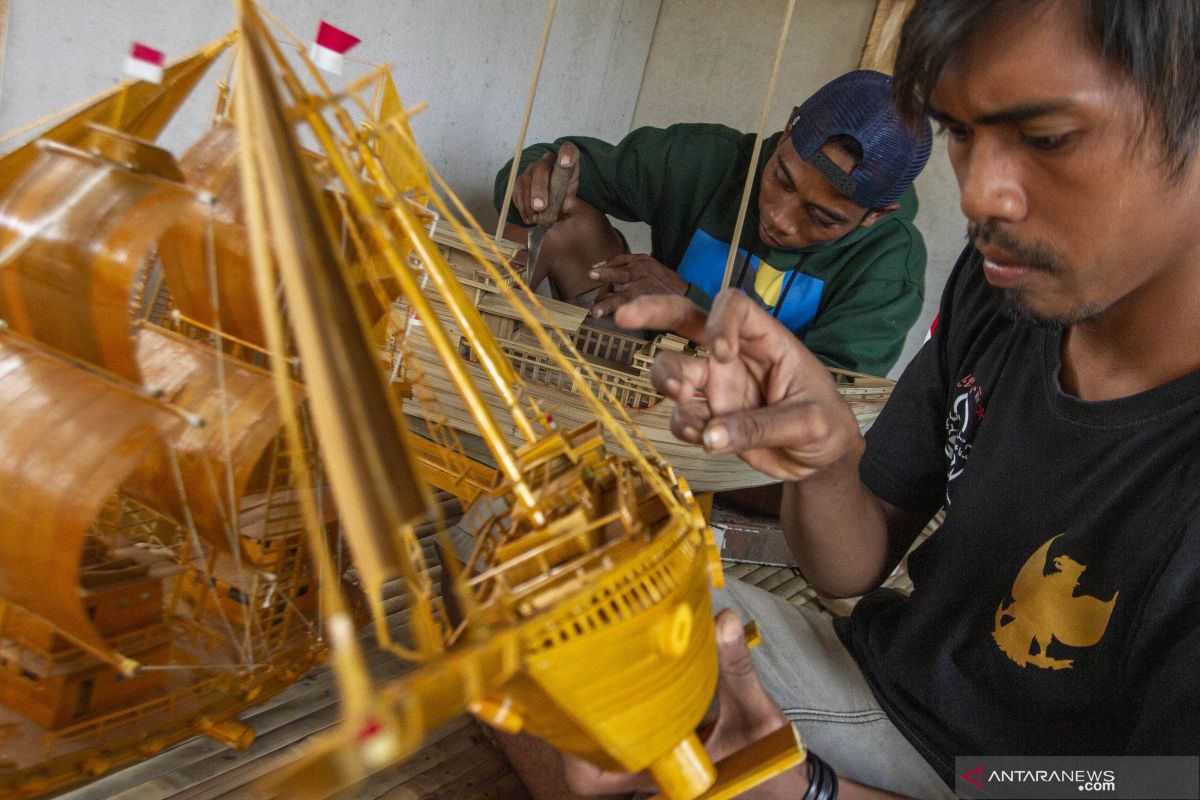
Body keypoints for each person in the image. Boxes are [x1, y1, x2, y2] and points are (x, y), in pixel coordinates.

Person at [502, 1, 1200, 797]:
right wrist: (827, 464)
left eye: (1046, 139)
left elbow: (1142, 785)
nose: (980, 198)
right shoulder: (1005, 289)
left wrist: (809, 793)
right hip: (877, 683)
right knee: (535, 586)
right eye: (965, 135)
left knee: (603, 738)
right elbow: (852, 568)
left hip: (1019, 778)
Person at [494, 70, 933, 378]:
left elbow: (825, 400)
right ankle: (473, 361)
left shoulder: (890, 266)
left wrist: (694, 312)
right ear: (786, 130)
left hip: (738, 424)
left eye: (821, 218)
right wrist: (537, 182)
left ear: (876, 215)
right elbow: (553, 167)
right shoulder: (712, 159)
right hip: (637, 361)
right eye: (780, 178)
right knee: (560, 219)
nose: (779, 217)